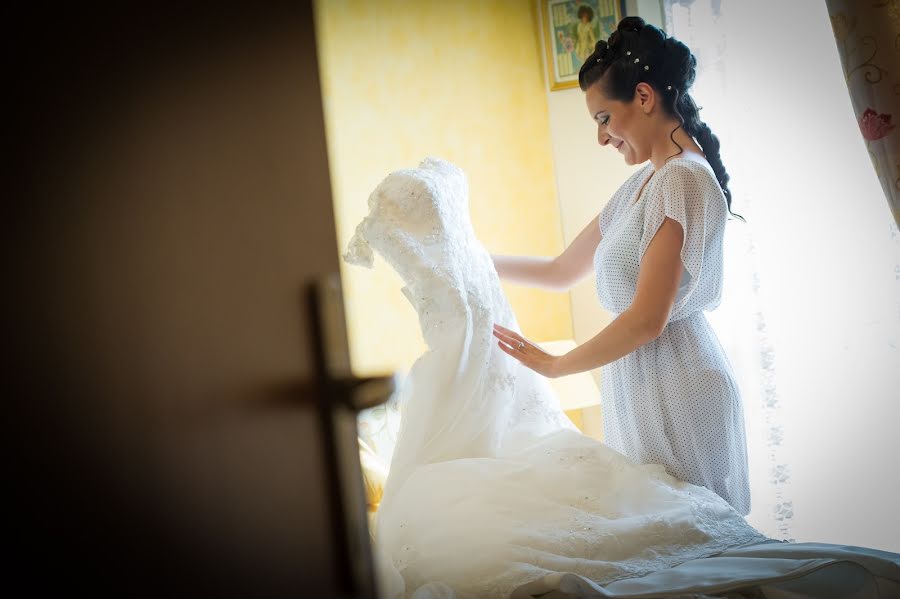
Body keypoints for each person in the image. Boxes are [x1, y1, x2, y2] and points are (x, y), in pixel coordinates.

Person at [491, 16, 751, 515]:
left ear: (646, 98)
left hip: (679, 391)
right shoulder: (641, 185)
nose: (602, 138)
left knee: (695, 546)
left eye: (603, 119)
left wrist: (556, 366)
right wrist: (473, 259)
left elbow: (647, 320)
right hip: (643, 385)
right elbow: (561, 270)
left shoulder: (682, 180)